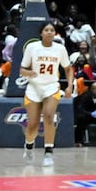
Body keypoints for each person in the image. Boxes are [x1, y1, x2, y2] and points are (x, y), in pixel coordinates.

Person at [19, 22, 71, 165]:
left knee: (49, 116)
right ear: (41, 33)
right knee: (33, 125)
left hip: (51, 87)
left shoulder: (60, 49)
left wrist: (70, 86)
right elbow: (22, 70)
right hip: (34, 88)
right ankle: (29, 146)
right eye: (46, 30)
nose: (49, 32)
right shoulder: (32, 47)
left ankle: (48, 153)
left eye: (52, 30)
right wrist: (29, 72)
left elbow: (68, 69)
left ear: (55, 33)